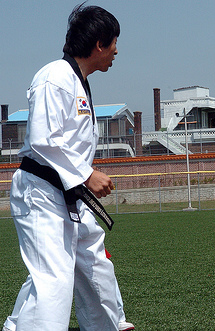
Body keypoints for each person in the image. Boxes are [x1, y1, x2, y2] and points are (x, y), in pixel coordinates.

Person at [4, 4, 130, 330]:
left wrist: (82, 176)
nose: (117, 50)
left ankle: (109, 325)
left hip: (68, 193)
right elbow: (44, 139)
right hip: (42, 191)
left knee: (94, 264)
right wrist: (87, 174)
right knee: (53, 279)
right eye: (114, 42)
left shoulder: (78, 81)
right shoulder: (54, 77)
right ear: (99, 44)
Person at [3, 249, 135, 331]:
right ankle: (13, 323)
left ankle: (117, 318)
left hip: (79, 211)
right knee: (45, 271)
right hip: (57, 215)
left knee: (98, 263)